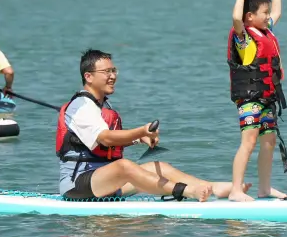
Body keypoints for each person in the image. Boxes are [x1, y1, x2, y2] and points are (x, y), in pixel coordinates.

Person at [57, 49, 250, 202]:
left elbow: (106, 145)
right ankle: (188, 191)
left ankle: (213, 188)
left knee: (159, 167)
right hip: (77, 185)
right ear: (88, 76)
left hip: (106, 183)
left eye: (113, 70)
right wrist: (140, 131)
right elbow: (105, 138)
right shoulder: (81, 107)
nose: (113, 76)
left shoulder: (103, 105)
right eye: (106, 72)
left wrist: (138, 139)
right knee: (125, 166)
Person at [227, 0, 287, 202]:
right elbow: (236, 17)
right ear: (250, 17)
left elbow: (278, 11)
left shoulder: (266, 31)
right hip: (250, 101)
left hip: (267, 99)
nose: (268, 16)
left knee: (269, 141)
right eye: (262, 13)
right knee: (249, 141)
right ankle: (235, 190)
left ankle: (264, 188)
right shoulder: (244, 39)